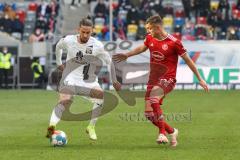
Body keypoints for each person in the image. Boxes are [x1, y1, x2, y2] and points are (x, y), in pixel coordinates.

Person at [113, 15, 209, 147]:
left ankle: (162, 133)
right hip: (153, 79)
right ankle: (172, 131)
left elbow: (188, 60)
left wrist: (200, 79)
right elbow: (142, 48)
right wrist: (127, 54)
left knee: (153, 98)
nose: (148, 31)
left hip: (168, 78)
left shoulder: (174, 42)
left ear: (157, 28)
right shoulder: (150, 38)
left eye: (150, 29)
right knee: (148, 114)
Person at [46, 16, 121, 141]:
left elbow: (109, 61)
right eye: (83, 32)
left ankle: (91, 127)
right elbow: (58, 46)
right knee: (64, 100)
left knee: (101, 96)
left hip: (88, 80)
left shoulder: (97, 45)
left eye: (88, 32)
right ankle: (51, 126)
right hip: (70, 77)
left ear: (92, 31)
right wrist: (59, 63)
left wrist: (114, 80)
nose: (85, 35)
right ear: (78, 30)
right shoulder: (69, 40)